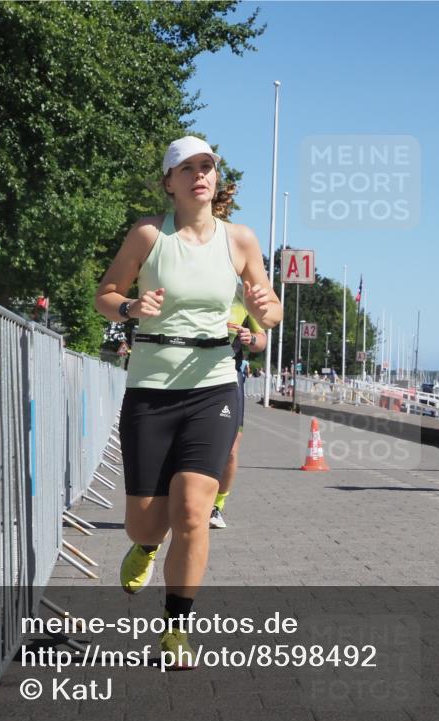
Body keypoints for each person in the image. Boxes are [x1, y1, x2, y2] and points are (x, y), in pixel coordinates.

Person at [94, 135, 282, 668]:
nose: (201, 175)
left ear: (216, 180)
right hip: (151, 389)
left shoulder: (240, 240)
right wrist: (131, 305)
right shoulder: (149, 235)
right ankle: (146, 546)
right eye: (188, 168)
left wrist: (265, 313)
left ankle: (176, 630)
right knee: (146, 523)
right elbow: (104, 295)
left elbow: (268, 316)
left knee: (195, 513)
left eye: (208, 166)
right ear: (169, 181)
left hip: (214, 385)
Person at [211, 282, 267, 529]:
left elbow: (261, 341)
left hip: (228, 374)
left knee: (231, 447)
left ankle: (216, 506)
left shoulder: (242, 292)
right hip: (189, 374)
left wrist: (250, 338)